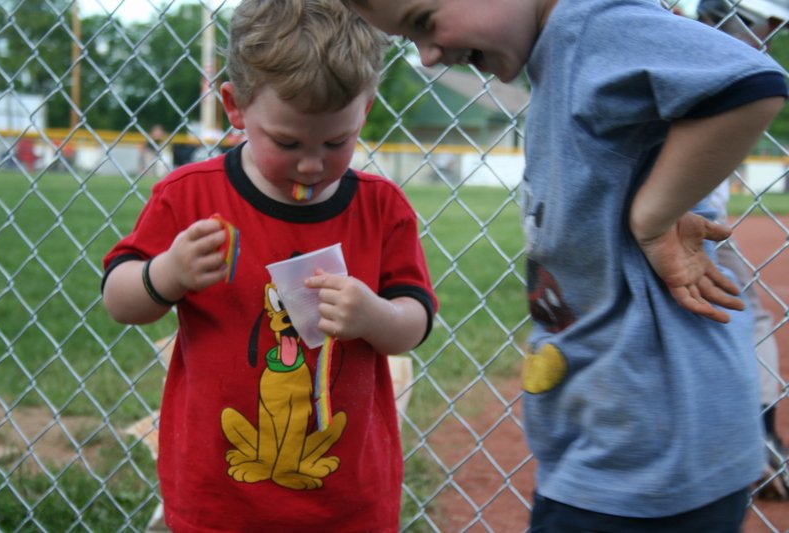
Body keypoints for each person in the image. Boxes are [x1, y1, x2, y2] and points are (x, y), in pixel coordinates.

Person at [341, 0, 786, 530]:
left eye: (424, 22)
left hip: (652, 451)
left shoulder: (592, 25)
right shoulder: (559, 50)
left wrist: (652, 216)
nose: (429, 55)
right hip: (615, 441)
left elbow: (751, 83)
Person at [101, 0, 437, 530]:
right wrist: (166, 275)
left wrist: (374, 316)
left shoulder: (381, 207)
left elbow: (414, 321)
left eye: (337, 141)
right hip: (215, 500)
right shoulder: (189, 196)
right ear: (235, 107)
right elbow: (118, 301)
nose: (312, 164)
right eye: (287, 141)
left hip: (347, 504)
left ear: (365, 110)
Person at [696, 0, 789, 500]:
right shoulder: (731, 66)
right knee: (749, 316)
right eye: (763, 26)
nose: (767, 38)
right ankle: (762, 436)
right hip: (694, 223)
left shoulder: (671, 47)